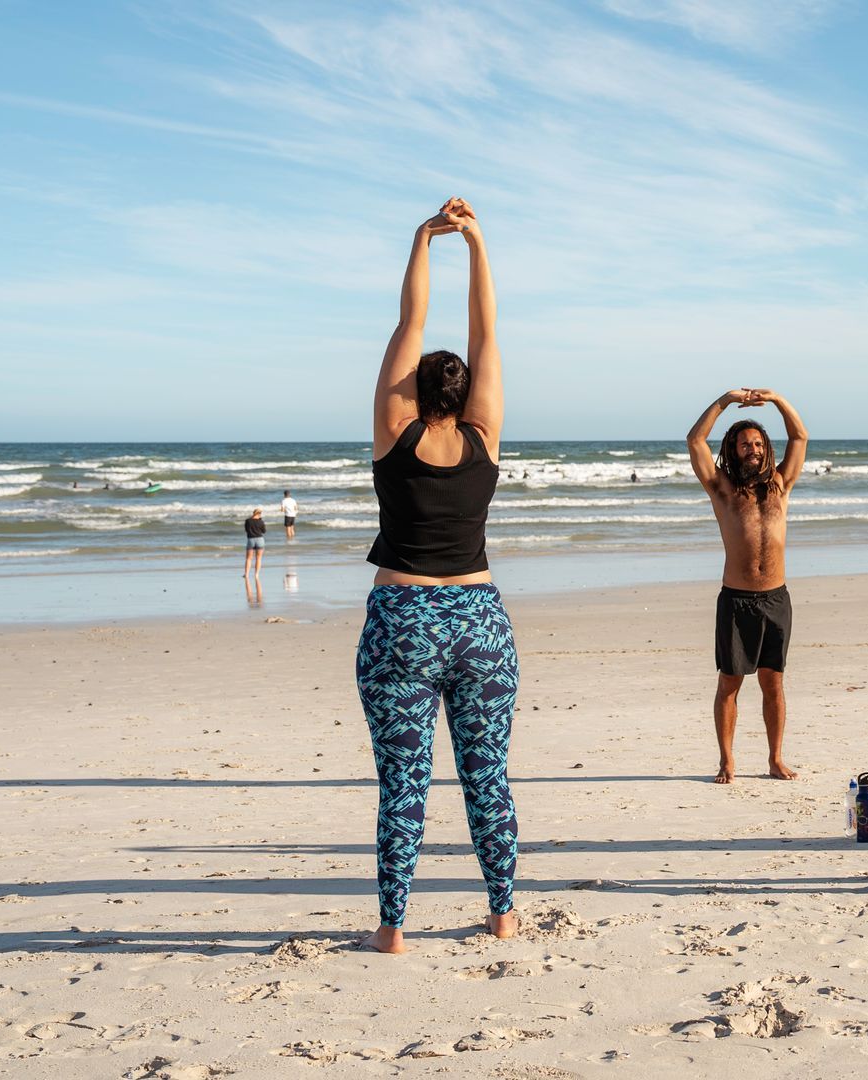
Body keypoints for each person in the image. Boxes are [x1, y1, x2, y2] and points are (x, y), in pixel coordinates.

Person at [355, 198, 520, 953]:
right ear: (466, 394)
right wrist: (478, 244)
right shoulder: (485, 438)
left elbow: (408, 325)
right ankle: (503, 914)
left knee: (404, 786)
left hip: (403, 622)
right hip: (480, 622)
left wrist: (424, 236)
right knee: (487, 779)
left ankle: (392, 930)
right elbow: (486, 332)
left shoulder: (396, 434)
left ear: (413, 394)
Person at [686, 388, 809, 784]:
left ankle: (775, 758)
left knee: (773, 683)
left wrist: (776, 401)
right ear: (733, 449)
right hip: (736, 600)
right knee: (730, 683)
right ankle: (727, 761)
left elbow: (800, 437)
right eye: (744, 444)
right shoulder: (722, 489)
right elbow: (694, 440)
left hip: (776, 598)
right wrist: (723, 401)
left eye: (757, 443)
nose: (752, 449)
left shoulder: (780, 484)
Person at [243, 507, 266, 578]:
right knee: (258, 558)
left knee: (249, 558)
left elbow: (246, 530)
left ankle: (246, 574)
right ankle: (256, 574)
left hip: (251, 539)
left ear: (253, 513)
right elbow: (264, 531)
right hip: (260, 539)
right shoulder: (261, 522)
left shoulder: (248, 521)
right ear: (259, 514)